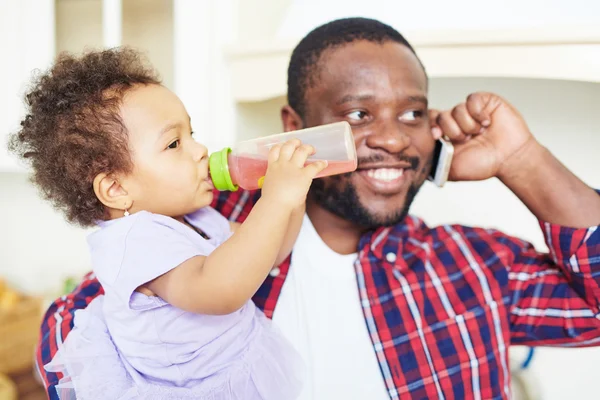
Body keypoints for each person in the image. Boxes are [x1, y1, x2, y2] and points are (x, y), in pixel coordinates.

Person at [34, 17, 600, 400]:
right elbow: (72, 332)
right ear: (294, 128)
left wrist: (522, 159)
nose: (396, 140)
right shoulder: (204, 223)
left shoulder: (469, 264)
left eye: (412, 115)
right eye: (358, 115)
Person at [10, 48, 331, 399]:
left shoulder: (196, 216)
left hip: (240, 366)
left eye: (193, 134)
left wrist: (294, 198)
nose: (200, 150)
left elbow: (268, 254)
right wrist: (276, 200)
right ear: (116, 188)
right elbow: (220, 290)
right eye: (175, 143)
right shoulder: (135, 242)